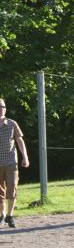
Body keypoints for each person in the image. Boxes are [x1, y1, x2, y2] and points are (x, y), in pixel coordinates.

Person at [0, 98, 30, 228]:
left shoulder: (12, 124)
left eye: (3, 106)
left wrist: (25, 157)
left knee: (12, 188)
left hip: (11, 162)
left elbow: (20, 141)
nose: (1, 109)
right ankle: (2, 215)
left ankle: (10, 216)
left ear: (5, 109)